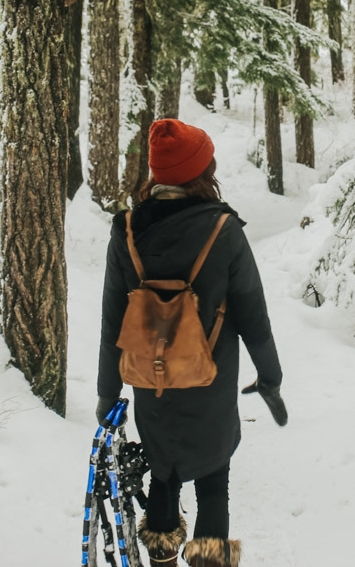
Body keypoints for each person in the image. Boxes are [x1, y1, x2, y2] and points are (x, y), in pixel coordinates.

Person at [97, 119, 287, 567]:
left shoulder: (126, 232)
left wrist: (108, 392)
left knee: (163, 473)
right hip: (211, 385)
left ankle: (161, 559)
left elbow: (112, 322)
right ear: (202, 171)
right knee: (212, 481)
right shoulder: (224, 231)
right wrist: (271, 378)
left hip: (153, 384)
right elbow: (253, 317)